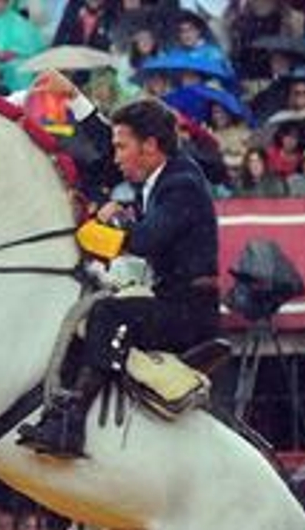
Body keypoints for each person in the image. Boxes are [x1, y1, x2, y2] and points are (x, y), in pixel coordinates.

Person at [18, 98, 222, 458]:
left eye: (121, 147)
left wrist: (110, 223)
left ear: (150, 146)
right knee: (89, 307)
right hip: (174, 299)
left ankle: (73, 423)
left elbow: (144, 240)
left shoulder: (182, 183)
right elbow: (103, 145)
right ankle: (60, 408)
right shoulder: (166, 175)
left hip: (190, 311)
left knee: (106, 314)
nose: (115, 157)